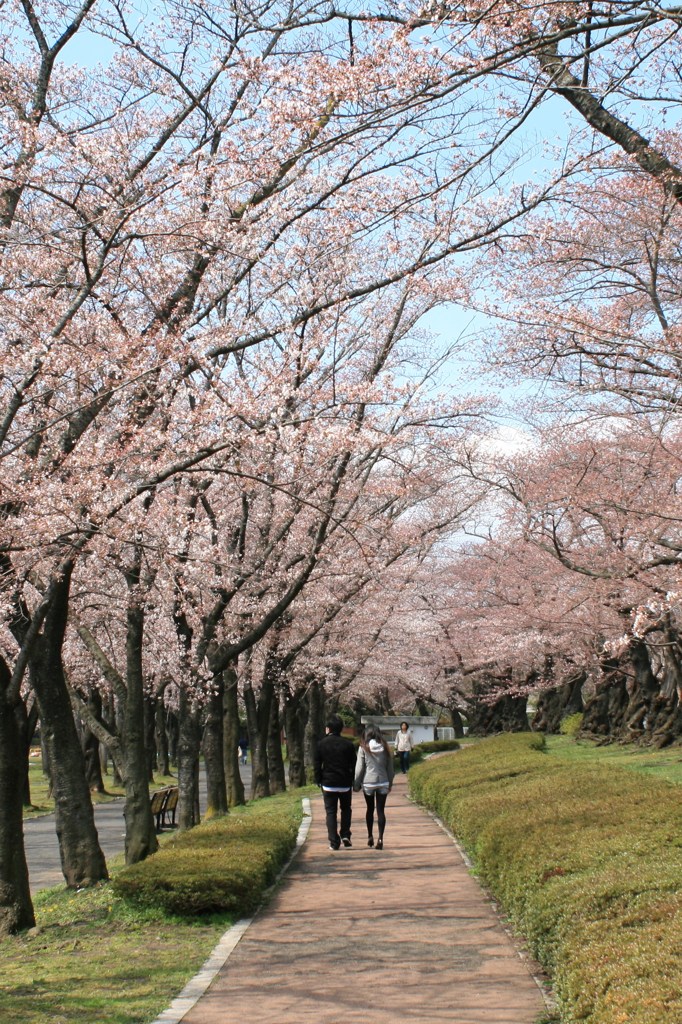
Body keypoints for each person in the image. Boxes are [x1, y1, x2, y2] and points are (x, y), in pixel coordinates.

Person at [314, 714, 356, 850]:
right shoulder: (348, 744)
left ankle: (334, 842)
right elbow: (354, 764)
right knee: (346, 809)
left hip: (328, 783)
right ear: (341, 728)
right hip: (344, 783)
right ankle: (345, 834)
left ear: (328, 729)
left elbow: (317, 764)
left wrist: (318, 780)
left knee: (331, 812)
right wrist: (352, 779)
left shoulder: (321, 744)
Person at [354, 725, 394, 850]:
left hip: (368, 782)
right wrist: (390, 783)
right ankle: (381, 838)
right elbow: (390, 769)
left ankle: (370, 835)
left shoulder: (363, 748)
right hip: (383, 781)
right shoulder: (386, 748)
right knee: (381, 811)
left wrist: (356, 784)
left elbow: (360, 768)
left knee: (370, 809)